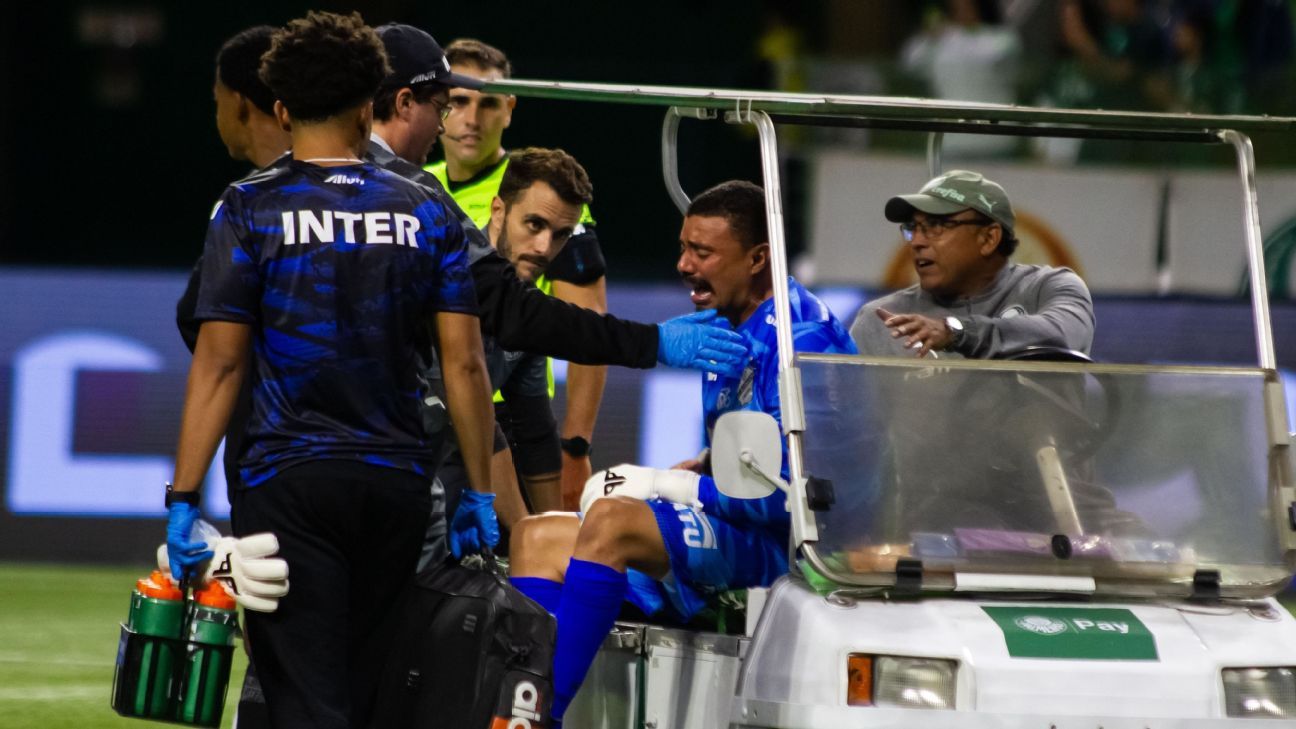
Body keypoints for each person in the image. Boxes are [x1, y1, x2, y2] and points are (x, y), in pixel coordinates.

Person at [162, 12, 500, 729]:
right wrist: (476, 489)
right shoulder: (425, 206)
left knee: (306, 700)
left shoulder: (248, 207)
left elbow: (220, 366)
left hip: (289, 484)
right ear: (365, 104)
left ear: (280, 109)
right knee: (370, 691)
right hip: (397, 488)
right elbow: (465, 363)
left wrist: (184, 496)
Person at [507, 181, 858, 726]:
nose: (684, 264)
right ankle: (521, 709)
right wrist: (705, 464)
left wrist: (676, 488)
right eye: (683, 247)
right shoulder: (729, 322)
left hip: (784, 555)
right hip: (737, 524)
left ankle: (542, 717)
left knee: (613, 522)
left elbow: (803, 501)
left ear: (758, 257)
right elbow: (753, 446)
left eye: (703, 252)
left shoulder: (800, 342)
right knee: (534, 536)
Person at [428, 39, 608, 511]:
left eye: (488, 103)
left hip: (516, 422)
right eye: (459, 101)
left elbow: (588, 327)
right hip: (433, 416)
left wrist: (576, 446)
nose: (472, 118)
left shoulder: (540, 192)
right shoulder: (418, 186)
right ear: (439, 105)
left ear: (509, 109)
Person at [849, 169, 1094, 359]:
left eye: (936, 225)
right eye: (913, 228)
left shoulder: (1046, 289)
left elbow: (1065, 335)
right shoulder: (880, 321)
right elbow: (843, 415)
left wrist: (956, 332)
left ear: (988, 238)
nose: (917, 242)